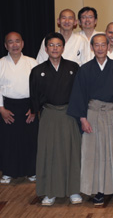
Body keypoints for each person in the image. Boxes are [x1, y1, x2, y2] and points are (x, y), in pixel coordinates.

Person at [67, 34, 113, 205]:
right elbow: (78, 95)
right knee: (93, 153)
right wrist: (83, 119)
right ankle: (97, 191)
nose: (101, 48)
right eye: (97, 45)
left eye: (104, 45)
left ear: (109, 47)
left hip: (112, 113)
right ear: (92, 47)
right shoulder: (86, 69)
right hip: (92, 113)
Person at [31, 33, 83, 205]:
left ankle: (74, 190)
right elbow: (34, 97)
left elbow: (80, 93)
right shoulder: (37, 71)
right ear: (46, 49)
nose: (55, 48)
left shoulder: (73, 67)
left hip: (69, 114)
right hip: (49, 114)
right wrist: (34, 111)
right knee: (49, 152)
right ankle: (50, 191)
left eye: (58, 45)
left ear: (63, 47)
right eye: (51, 45)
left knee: (72, 151)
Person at [0, 32, 39, 184]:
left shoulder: (32, 63)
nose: (14, 45)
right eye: (10, 42)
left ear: (22, 43)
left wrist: (35, 108)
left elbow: (38, 87)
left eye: (17, 41)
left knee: (30, 140)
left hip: (28, 106)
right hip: (7, 106)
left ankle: (31, 171)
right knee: (8, 140)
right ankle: (8, 171)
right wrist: (1, 109)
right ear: (5, 45)